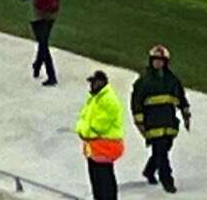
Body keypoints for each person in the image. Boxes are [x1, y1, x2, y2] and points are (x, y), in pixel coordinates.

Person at [130, 44, 190, 192]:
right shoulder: (144, 81)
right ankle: (167, 181)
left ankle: (149, 170)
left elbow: (181, 97)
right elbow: (136, 103)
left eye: (160, 60)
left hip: (169, 122)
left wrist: (186, 113)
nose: (157, 62)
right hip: (153, 123)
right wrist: (140, 123)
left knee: (162, 150)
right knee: (161, 152)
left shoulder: (172, 80)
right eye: (155, 60)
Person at [75, 69, 127, 199]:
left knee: (105, 181)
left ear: (102, 83)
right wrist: (81, 130)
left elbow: (98, 126)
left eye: (94, 82)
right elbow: (83, 118)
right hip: (95, 148)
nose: (92, 85)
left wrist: (83, 132)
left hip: (105, 147)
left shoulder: (109, 100)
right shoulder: (94, 98)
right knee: (96, 181)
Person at [22, 0, 60, 86]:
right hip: (52, 12)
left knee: (43, 45)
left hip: (37, 15)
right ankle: (37, 66)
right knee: (43, 41)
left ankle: (51, 76)